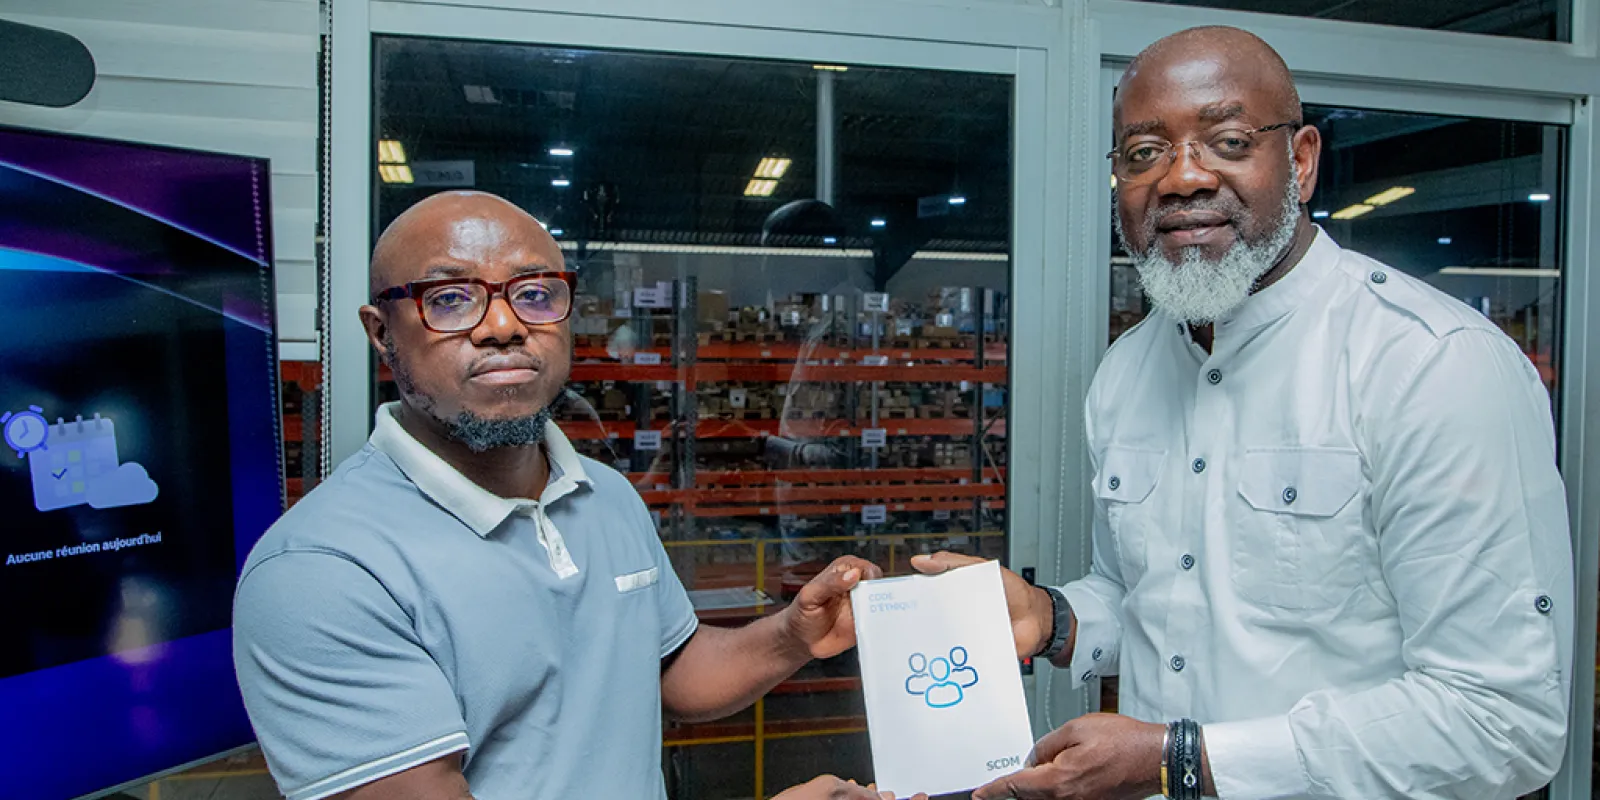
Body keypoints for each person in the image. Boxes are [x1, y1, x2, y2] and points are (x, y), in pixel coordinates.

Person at [915, 25, 1573, 800]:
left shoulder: (1430, 365)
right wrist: (1053, 618)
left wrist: (1183, 760)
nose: (1182, 178)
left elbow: (1502, 721)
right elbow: (1154, 603)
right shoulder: (1128, 371)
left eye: (1228, 142)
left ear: (1301, 160)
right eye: (1144, 152)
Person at [232, 191, 921, 800]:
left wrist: (792, 636)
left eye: (534, 294)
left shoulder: (605, 496)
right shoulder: (321, 572)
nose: (503, 325)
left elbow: (672, 673)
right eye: (450, 299)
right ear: (381, 332)